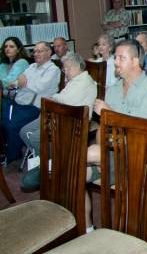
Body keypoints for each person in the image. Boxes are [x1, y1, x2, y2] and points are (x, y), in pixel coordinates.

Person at [86, 39, 147, 231]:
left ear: (135, 61)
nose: (116, 62)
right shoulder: (113, 91)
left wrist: (110, 113)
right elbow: (103, 130)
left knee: (83, 156)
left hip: (138, 157)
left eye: (121, 58)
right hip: (112, 153)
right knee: (78, 174)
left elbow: (145, 135)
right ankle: (88, 228)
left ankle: (55, 165)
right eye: (116, 58)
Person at [20, 53, 97, 190]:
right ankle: (46, 158)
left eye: (66, 68)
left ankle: (47, 162)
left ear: (74, 67)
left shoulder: (84, 82)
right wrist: (55, 98)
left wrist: (53, 98)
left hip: (72, 122)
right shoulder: (75, 80)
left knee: (35, 137)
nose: (64, 71)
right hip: (59, 115)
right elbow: (62, 98)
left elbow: (66, 101)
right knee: (24, 132)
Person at [1, 42, 60, 163]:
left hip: (34, 107)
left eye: (40, 51)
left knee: (11, 126)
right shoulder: (32, 67)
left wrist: (24, 82)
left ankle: (11, 156)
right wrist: (18, 82)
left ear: (49, 53)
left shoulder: (53, 69)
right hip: (19, 103)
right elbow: (17, 82)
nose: (36, 54)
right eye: (35, 51)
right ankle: (7, 150)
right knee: (3, 121)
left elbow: (40, 87)